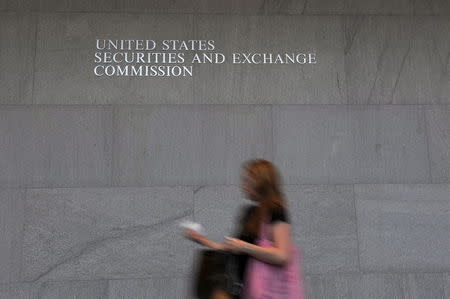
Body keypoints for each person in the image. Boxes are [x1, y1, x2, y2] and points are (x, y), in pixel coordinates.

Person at [184, 159, 293, 299]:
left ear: (261, 183)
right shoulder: (251, 213)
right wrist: (202, 240)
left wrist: (245, 247)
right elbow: (233, 249)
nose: (244, 186)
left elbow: (282, 256)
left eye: (248, 181)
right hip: (245, 290)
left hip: (267, 292)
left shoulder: (276, 212)